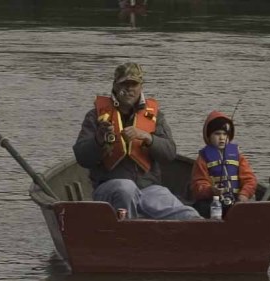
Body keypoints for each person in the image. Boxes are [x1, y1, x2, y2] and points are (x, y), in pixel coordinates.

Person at [73, 62, 202, 220]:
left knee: (188, 215)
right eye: (124, 84)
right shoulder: (95, 116)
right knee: (126, 189)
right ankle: (128, 236)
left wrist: (148, 138)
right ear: (115, 86)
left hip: (149, 189)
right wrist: (98, 141)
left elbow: (169, 153)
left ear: (141, 87)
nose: (129, 89)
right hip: (109, 188)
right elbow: (82, 157)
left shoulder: (155, 117)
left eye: (133, 84)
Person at [190, 110, 257, 218]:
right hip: (214, 201)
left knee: (249, 207)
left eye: (225, 134)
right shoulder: (203, 158)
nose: (221, 138)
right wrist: (211, 190)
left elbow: (250, 179)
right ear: (209, 136)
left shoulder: (238, 155)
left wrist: (244, 194)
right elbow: (198, 185)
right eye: (217, 134)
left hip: (237, 200)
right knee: (199, 209)